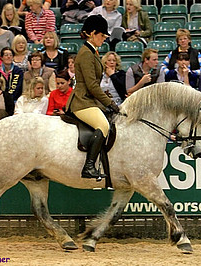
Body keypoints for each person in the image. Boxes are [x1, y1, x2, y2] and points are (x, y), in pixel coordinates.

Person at [65, 15, 119, 180]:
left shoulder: (92, 51)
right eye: (102, 35)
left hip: (89, 99)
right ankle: (88, 166)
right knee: (103, 125)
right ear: (92, 33)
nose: (104, 39)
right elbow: (92, 86)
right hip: (82, 100)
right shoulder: (86, 54)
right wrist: (110, 102)